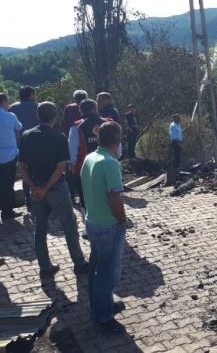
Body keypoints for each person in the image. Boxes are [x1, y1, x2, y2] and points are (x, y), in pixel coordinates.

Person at [18, 102, 88, 277]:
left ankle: (44, 266)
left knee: (40, 227)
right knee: (69, 225)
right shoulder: (59, 137)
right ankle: (79, 262)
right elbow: (60, 167)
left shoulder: (27, 135)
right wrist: (47, 187)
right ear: (55, 117)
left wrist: (34, 187)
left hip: (35, 189)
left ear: (38, 115)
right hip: (56, 188)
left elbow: (22, 166)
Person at [82, 121, 128, 333]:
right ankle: (103, 316)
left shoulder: (90, 158)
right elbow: (114, 197)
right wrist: (122, 220)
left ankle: (101, 305)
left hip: (92, 222)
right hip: (108, 226)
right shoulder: (110, 163)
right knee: (107, 274)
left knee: (95, 269)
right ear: (117, 141)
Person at [0, 93, 23, 220]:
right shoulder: (10, 116)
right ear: (3, 102)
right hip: (9, 156)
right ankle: (7, 212)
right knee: (7, 185)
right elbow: (19, 127)